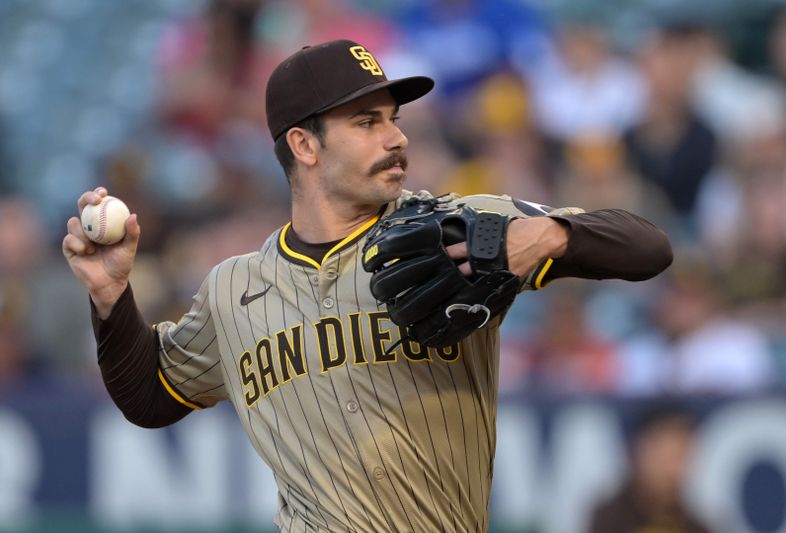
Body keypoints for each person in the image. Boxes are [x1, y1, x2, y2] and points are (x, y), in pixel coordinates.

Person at [62, 40, 672, 532]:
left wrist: (545, 237)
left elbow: (649, 247)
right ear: (303, 144)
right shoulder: (232, 289)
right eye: (365, 121)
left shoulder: (453, 228)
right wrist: (112, 296)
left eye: (394, 119)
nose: (396, 137)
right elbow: (149, 398)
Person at [588, 404, 712, 533]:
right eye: (666, 458)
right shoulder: (609, 519)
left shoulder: (696, 526)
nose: (673, 470)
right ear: (640, 453)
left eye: (681, 458)